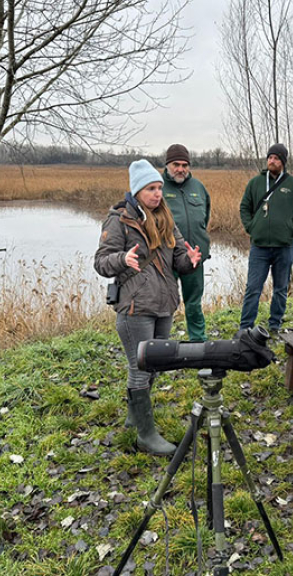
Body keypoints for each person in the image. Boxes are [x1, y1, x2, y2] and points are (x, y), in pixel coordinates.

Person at [94, 160, 202, 456]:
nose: (157, 194)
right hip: (134, 308)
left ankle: (134, 417)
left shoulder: (166, 218)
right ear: (138, 190)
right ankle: (145, 435)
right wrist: (121, 260)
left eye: (159, 188)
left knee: (154, 365)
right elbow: (101, 261)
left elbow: (177, 257)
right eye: (151, 189)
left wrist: (189, 261)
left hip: (164, 304)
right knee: (140, 368)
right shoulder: (119, 219)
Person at [238, 143, 293, 335]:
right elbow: (244, 207)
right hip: (259, 246)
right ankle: (245, 327)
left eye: (276, 158)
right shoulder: (255, 183)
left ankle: (275, 325)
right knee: (253, 288)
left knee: (280, 289)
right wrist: (251, 227)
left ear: (283, 162)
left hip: (284, 246)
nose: (272, 161)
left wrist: (292, 229)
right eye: (270, 157)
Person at [162, 144, 211, 342]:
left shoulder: (198, 187)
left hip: (194, 257)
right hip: (167, 258)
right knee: (164, 302)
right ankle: (160, 342)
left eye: (184, 165)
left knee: (194, 303)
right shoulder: (158, 187)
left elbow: (204, 217)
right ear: (167, 165)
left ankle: (198, 341)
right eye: (176, 164)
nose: (180, 169)